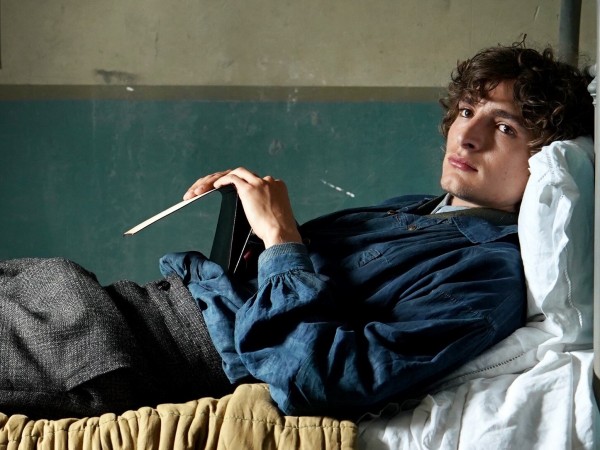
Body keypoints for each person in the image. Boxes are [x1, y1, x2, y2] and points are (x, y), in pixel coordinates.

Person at [0, 43, 593, 420]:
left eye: (505, 128)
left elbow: (326, 379)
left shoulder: (487, 275)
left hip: (131, 352)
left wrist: (283, 238)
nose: (467, 136)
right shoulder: (416, 210)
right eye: (466, 111)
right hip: (121, 305)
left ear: (546, 157)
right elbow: (290, 289)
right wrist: (249, 221)